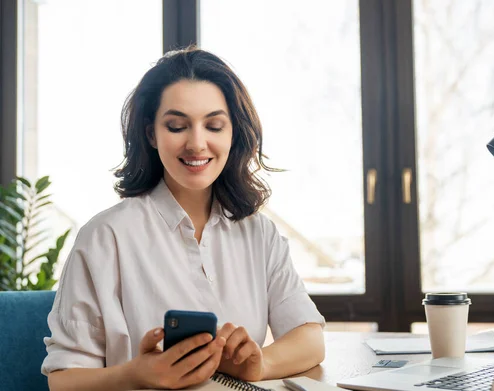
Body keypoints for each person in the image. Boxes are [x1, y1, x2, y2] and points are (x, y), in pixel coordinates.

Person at [42, 47, 326, 391]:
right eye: (177, 126)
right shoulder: (105, 237)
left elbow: (309, 338)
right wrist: (136, 375)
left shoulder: (258, 233)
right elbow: (63, 381)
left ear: (232, 133)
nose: (196, 143)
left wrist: (258, 365)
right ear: (151, 134)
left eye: (214, 125)